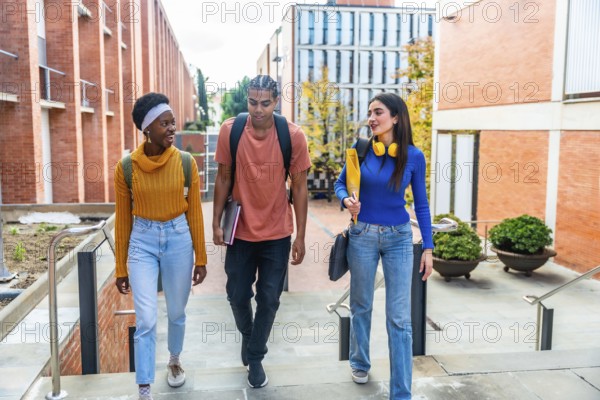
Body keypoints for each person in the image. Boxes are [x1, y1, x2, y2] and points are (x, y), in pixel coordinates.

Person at [212, 75, 311, 388]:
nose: (257, 109)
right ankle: (250, 335)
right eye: (252, 102)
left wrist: (302, 236)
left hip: (277, 233)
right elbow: (224, 176)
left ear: (276, 101)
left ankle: (254, 357)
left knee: (269, 299)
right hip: (240, 232)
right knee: (236, 294)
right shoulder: (231, 130)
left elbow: (300, 187)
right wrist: (215, 221)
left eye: (265, 103)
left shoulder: (292, 136)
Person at [334, 92, 433, 399]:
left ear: (396, 117)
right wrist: (345, 199)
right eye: (370, 112)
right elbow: (340, 184)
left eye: (378, 112)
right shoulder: (360, 149)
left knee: (400, 318)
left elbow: (422, 205)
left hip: (399, 239)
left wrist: (428, 247)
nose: (372, 118)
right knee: (361, 304)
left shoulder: (414, 157)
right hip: (362, 235)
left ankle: (401, 392)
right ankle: (360, 361)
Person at [114, 92, 208, 400]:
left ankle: (175, 359)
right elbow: (122, 221)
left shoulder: (185, 163)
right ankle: (144, 386)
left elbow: (194, 211)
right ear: (147, 129)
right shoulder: (126, 168)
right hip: (142, 241)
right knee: (146, 318)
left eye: (173, 122)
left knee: (177, 311)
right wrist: (121, 266)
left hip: (179, 238)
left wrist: (201, 258)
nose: (172, 129)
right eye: (164, 124)